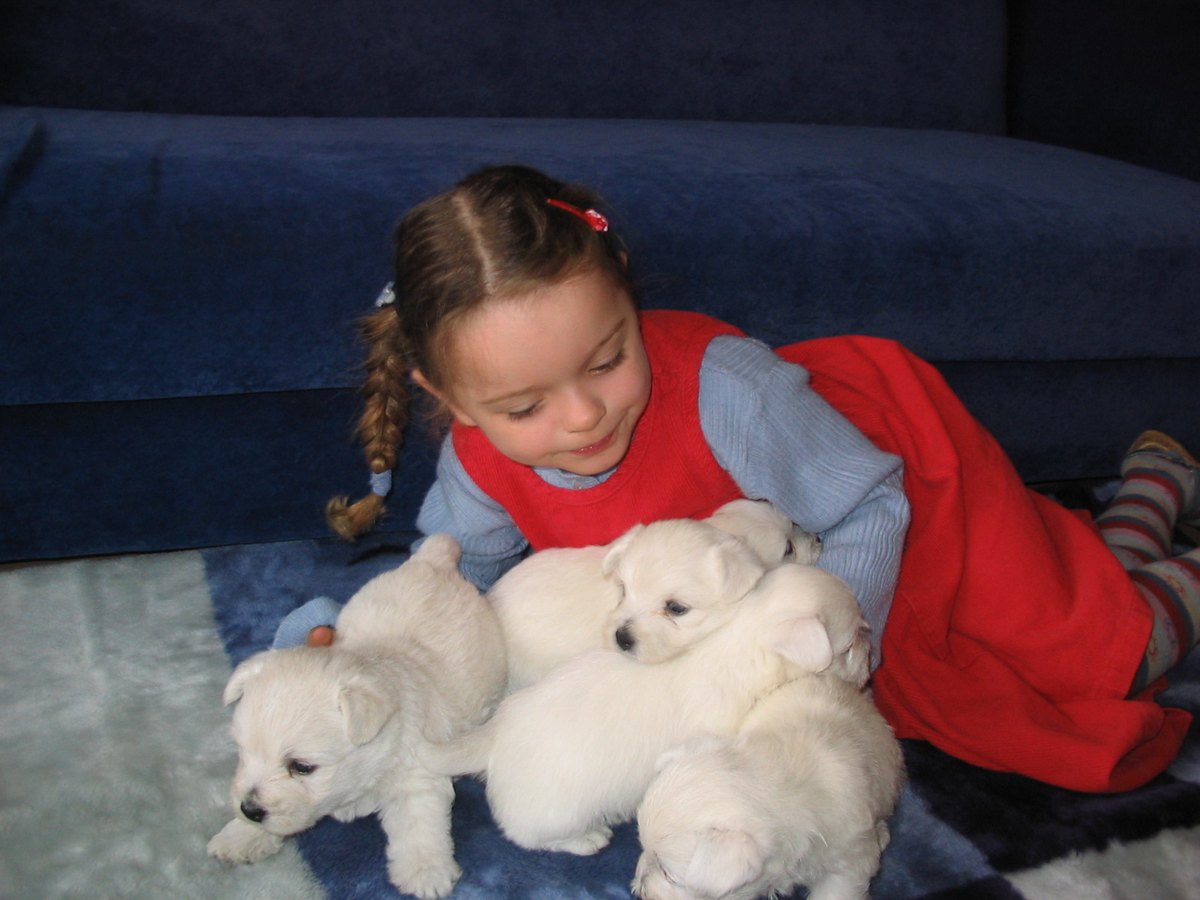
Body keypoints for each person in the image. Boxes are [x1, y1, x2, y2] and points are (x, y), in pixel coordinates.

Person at [277, 164, 1198, 792]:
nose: (583, 416)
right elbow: (455, 588)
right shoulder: (478, 458)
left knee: (1098, 657)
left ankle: (1145, 534)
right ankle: (1157, 479)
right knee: (1075, 603)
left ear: (625, 289)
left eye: (608, 360)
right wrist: (356, 646)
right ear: (452, 401)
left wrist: (826, 659)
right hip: (766, 567)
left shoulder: (732, 394)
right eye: (525, 408)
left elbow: (872, 504)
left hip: (876, 500)